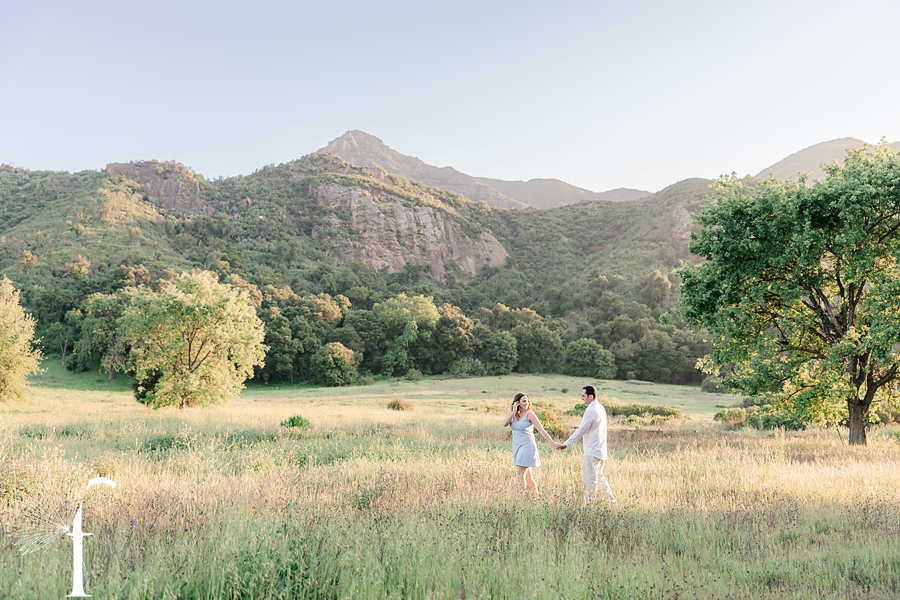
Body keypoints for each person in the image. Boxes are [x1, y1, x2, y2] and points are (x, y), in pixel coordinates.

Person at [557, 385, 617, 504]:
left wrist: (566, 444)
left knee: (590, 480)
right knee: (600, 478)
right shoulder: (600, 407)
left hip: (592, 451)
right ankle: (612, 503)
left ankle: (590, 506)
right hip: (600, 450)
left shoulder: (591, 410)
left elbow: (581, 430)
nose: (581, 398)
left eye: (583, 396)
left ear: (591, 396)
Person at [502, 392, 563, 495]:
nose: (527, 403)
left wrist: (553, 443)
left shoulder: (530, 414)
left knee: (520, 475)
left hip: (527, 447)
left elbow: (542, 431)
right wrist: (513, 411)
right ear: (517, 402)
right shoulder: (512, 413)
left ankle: (522, 503)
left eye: (528, 401)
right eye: (524, 401)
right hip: (517, 447)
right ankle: (536, 498)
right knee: (528, 477)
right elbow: (504, 424)